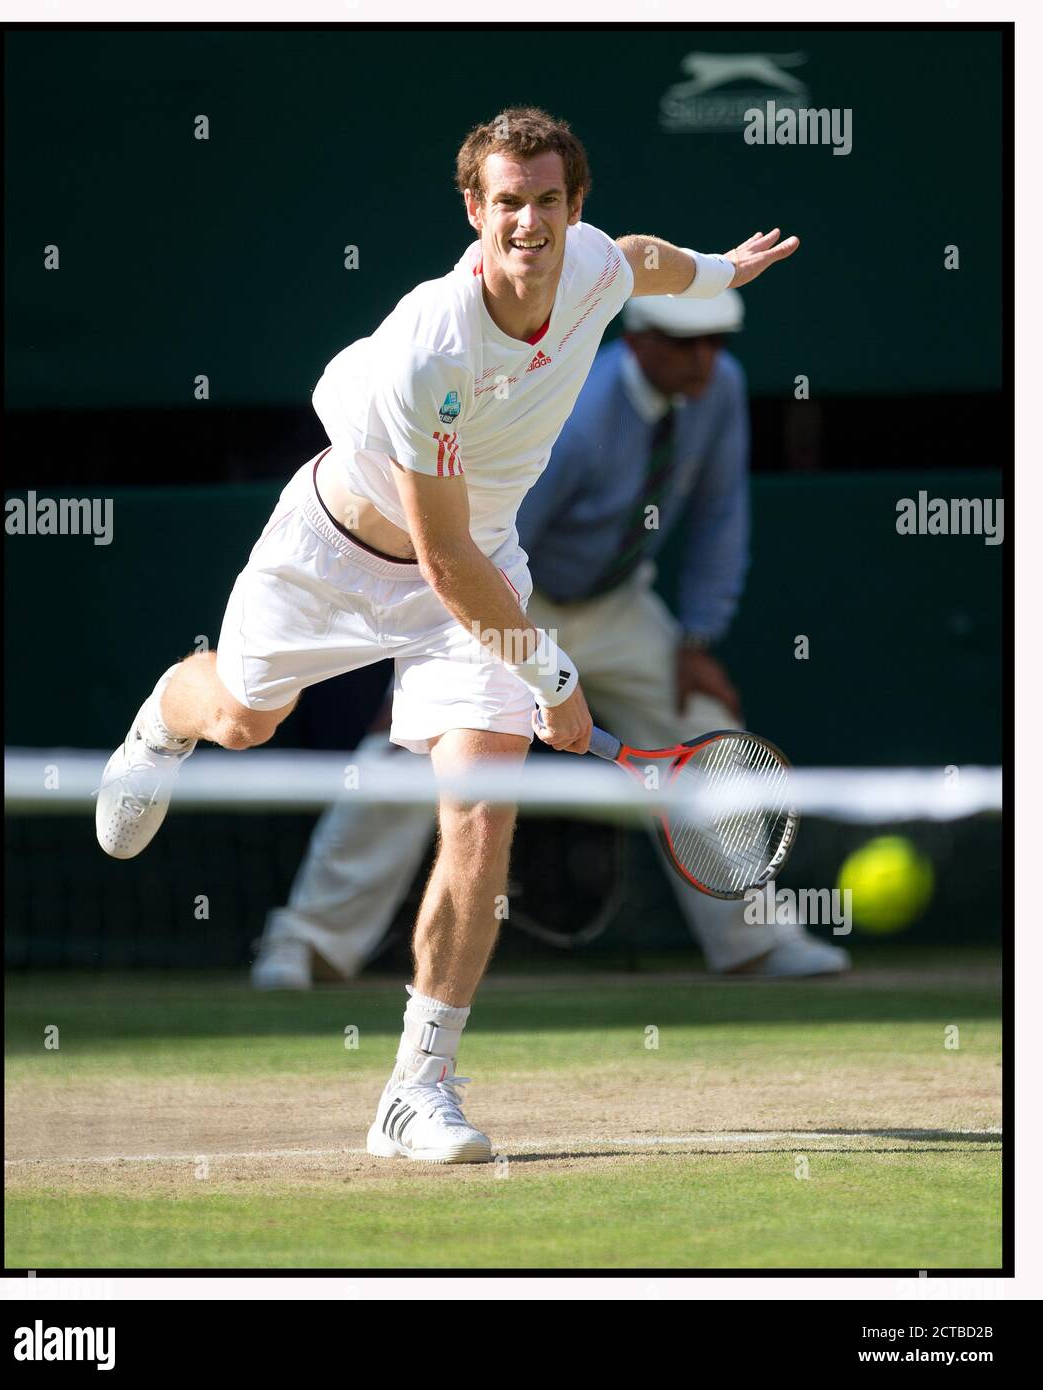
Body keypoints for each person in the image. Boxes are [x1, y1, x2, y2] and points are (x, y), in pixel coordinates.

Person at [96, 107, 799, 1163]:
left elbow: (642, 261)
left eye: (547, 201)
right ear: (473, 209)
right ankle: (164, 714)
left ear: (573, 207)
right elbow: (443, 561)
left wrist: (715, 270)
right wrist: (552, 672)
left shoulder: (595, 266)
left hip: (476, 571)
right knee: (243, 716)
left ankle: (415, 1089)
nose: (528, 223)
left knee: (478, 813)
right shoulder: (432, 343)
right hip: (336, 558)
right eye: (506, 203)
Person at [251, 291, 848, 990]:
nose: (705, 358)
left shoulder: (719, 390)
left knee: (701, 725)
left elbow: (722, 513)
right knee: (410, 749)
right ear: (640, 338)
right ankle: (306, 943)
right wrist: (433, 662)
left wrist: (696, 637)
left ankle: (756, 941)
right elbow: (488, 544)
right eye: (688, 344)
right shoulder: (579, 417)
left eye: (717, 342)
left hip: (618, 605)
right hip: (510, 597)